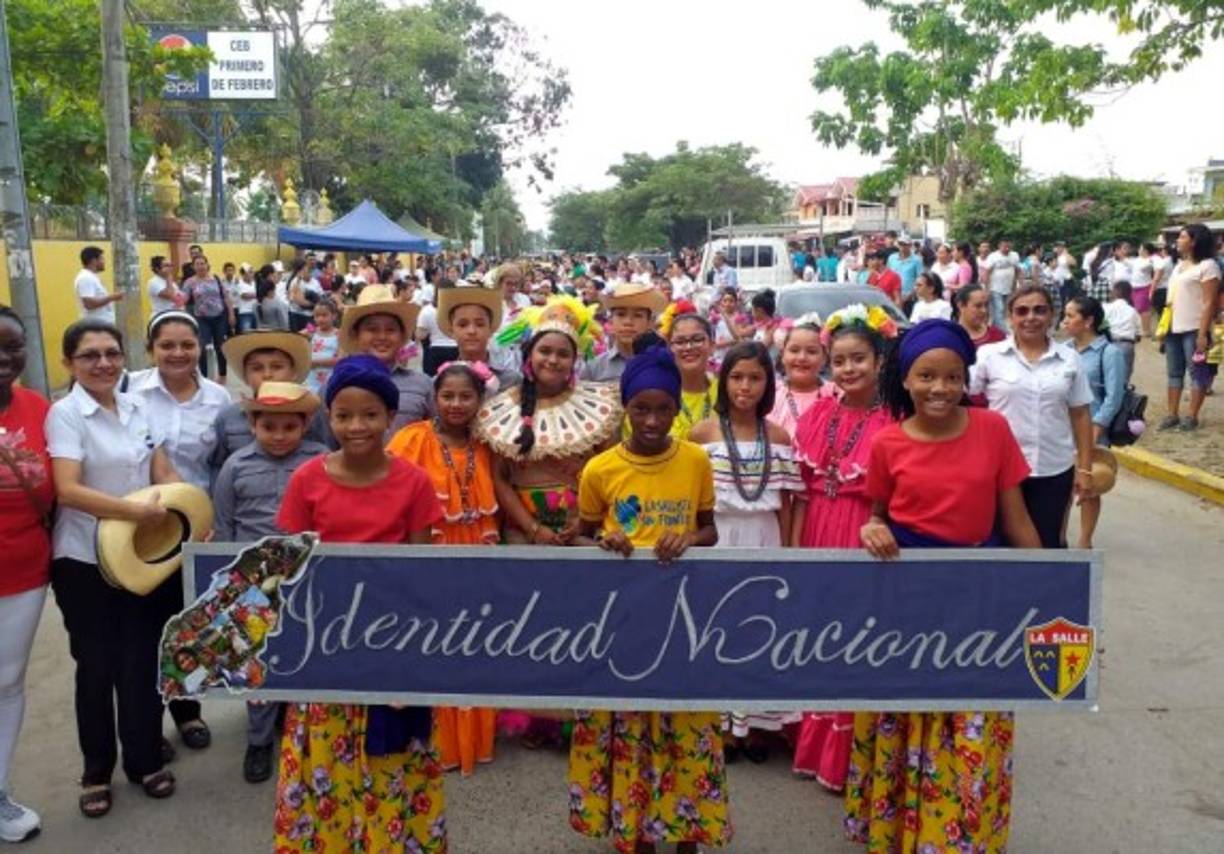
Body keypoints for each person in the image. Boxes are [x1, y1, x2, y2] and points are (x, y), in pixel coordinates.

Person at [850, 319, 1040, 853]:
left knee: (973, 715)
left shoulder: (993, 430)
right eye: (927, 376)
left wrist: (1055, 594)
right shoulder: (886, 443)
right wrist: (873, 528)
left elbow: (1017, 520)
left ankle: (962, 833)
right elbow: (877, 515)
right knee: (904, 714)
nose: (940, 387)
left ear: (966, 380)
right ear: (905, 381)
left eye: (953, 376)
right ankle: (899, 831)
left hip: (978, 596)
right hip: (906, 601)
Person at [274, 355, 447, 852]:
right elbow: (291, 571)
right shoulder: (306, 480)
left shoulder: (413, 482)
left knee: (392, 763)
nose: (357, 426)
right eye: (344, 415)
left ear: (389, 417)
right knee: (325, 756)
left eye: (370, 414)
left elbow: (423, 571)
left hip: (393, 646)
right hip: (324, 649)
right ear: (329, 418)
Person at [570, 345, 729, 854]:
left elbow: (710, 531)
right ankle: (635, 829)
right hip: (622, 620)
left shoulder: (696, 460)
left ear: (679, 408)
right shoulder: (599, 470)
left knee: (684, 725)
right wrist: (601, 543)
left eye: (664, 408)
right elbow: (580, 535)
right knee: (629, 726)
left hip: (684, 617)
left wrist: (690, 539)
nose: (654, 419)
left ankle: (688, 831)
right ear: (626, 409)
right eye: (642, 408)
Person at [46, 319, 183, 817]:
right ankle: (96, 770)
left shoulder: (138, 407)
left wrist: (187, 511)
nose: (103, 363)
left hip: (142, 556)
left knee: (142, 660)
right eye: (89, 355)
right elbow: (69, 489)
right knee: (97, 666)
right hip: (83, 559)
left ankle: (144, 760)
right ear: (69, 364)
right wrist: (137, 511)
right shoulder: (66, 415)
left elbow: (161, 470)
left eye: (111, 353)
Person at [788, 305, 894, 792]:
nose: (849, 369)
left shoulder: (893, 420)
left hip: (861, 533)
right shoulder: (819, 413)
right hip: (817, 530)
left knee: (857, 640)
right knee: (818, 638)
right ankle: (815, 749)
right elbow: (800, 489)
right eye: (842, 360)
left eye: (860, 359)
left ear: (879, 361)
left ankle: (854, 759)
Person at [211, 381, 328, 784]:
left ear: (305, 424)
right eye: (269, 427)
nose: (279, 436)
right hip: (254, 580)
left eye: (289, 427)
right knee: (256, 658)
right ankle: (259, 739)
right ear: (252, 424)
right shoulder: (235, 466)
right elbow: (224, 524)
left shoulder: (322, 460)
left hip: (308, 574)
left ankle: (307, 735)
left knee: (307, 652)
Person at [387, 362, 499, 777]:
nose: (456, 404)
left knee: (476, 644)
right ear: (434, 397)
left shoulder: (488, 443)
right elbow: (389, 497)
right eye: (447, 395)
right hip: (429, 555)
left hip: (478, 557)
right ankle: (433, 738)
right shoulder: (410, 439)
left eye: (465, 396)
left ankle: (474, 740)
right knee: (432, 643)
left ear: (479, 400)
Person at [689, 342, 800, 761]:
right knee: (718, 631)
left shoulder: (779, 436)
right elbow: (692, 498)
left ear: (768, 383)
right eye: (737, 377)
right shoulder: (702, 433)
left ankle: (754, 726)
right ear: (724, 381)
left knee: (759, 631)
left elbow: (787, 502)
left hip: (764, 539)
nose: (745, 386)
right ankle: (722, 725)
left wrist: (788, 554)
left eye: (755, 378)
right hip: (719, 539)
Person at [970, 285, 1095, 548]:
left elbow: (1081, 415)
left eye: (1039, 310)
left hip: (1053, 469)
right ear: (1009, 317)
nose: (1030, 317)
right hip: (1001, 472)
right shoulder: (988, 357)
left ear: (1052, 315)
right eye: (1022, 311)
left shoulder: (1070, 360)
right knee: (1000, 545)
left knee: (1047, 544)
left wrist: (1084, 469)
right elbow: (961, 398)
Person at [0, 307, 51, 841]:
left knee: (7, 682)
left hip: (23, 574)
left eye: (13, 346)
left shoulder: (39, 409)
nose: (3, 358)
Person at [210, 330, 322, 473]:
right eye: (257, 368)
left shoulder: (312, 414)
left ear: (294, 372)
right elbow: (218, 464)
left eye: (277, 367)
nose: (267, 374)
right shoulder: (228, 418)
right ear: (245, 375)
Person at [1062, 296, 1125, 548]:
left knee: (1090, 484)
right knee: (1062, 485)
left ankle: (1085, 540)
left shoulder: (1109, 353)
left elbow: (1114, 395)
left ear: (1088, 321)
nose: (1064, 321)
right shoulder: (1064, 350)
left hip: (1092, 427)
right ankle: (1059, 536)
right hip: (1063, 427)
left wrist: (1097, 428)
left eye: (1070, 316)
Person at [337, 284, 433, 436]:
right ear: (357, 335)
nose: (382, 337)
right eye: (372, 329)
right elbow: (326, 445)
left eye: (390, 330)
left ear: (402, 336)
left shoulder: (423, 385)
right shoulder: (337, 383)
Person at [1158, 223, 1221, 431]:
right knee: (1174, 373)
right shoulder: (1179, 266)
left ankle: (1191, 416)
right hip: (1174, 327)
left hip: (1194, 327)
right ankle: (1172, 414)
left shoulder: (1208, 266)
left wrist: (1203, 333)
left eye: (1183, 237)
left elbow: (1209, 302)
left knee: (1197, 373)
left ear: (1194, 241)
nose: (1178, 240)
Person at [767, 313, 837, 438]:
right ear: (782, 355)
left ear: (824, 358)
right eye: (794, 350)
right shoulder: (770, 394)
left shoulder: (837, 394)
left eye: (811, 351)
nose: (802, 357)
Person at [440, 283, 521, 387]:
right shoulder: (442, 381)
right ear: (452, 330)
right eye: (462, 325)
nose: (471, 331)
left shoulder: (511, 381)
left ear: (490, 329)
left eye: (480, 324)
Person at [582, 283, 666, 382]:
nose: (628, 322)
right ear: (611, 320)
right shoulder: (594, 368)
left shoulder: (661, 365)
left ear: (649, 323)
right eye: (621, 314)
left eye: (638, 315)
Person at [182, 254, 235, 383]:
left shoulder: (216, 279)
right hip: (201, 318)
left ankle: (222, 374)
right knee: (201, 347)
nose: (200, 266)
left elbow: (226, 297)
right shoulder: (190, 282)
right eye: (197, 264)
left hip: (219, 317)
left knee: (220, 346)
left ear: (207, 265)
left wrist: (231, 314)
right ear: (193, 267)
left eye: (202, 263)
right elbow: (183, 300)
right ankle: (204, 378)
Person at [665, 312, 718, 439]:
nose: (688, 347)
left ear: (712, 346)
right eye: (680, 341)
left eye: (697, 339)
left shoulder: (726, 392)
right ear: (669, 349)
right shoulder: (658, 394)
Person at [1103, 281, 1141, 382]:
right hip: (1127, 344)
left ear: (1115, 292)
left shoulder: (1106, 308)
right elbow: (1138, 334)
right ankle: (1123, 394)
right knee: (1124, 376)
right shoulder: (1133, 311)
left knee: (1108, 374)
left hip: (1109, 343)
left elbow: (1101, 326)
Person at [74, 246, 122, 323]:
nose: (103, 262)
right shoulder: (86, 278)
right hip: (95, 325)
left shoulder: (91, 277)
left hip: (101, 324)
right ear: (93, 261)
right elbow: (89, 304)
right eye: (101, 259)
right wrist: (112, 297)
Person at [953, 283, 1006, 349]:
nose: (984, 311)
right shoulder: (951, 338)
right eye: (978, 306)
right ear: (961, 306)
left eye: (986, 305)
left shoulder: (998, 337)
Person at [305, 298, 341, 395]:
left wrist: (315, 362)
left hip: (329, 374)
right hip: (311, 376)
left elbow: (340, 359)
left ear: (334, 316)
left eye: (324, 315)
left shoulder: (339, 334)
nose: (320, 319)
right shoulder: (311, 330)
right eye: (317, 316)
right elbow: (295, 338)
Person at [984, 238, 1020, 330]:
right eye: (1005, 246)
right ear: (999, 246)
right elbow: (987, 272)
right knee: (998, 309)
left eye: (1009, 246)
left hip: (1009, 287)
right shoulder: (993, 256)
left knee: (1006, 310)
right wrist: (987, 288)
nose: (1007, 248)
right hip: (995, 288)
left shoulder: (1014, 255)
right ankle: (1003, 332)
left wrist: (1016, 284)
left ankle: (996, 329)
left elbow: (1017, 270)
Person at [285, 259, 320, 333]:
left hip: (305, 315)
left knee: (311, 333)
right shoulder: (296, 282)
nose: (307, 270)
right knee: (304, 336)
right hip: (299, 316)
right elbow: (299, 301)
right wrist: (314, 304)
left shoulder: (300, 280)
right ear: (303, 268)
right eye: (306, 267)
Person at [1129, 243, 1155, 336]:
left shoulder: (1150, 260)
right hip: (1134, 287)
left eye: (1141, 248)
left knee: (1144, 309)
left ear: (1146, 251)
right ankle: (1140, 329)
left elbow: (1146, 267)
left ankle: (1146, 330)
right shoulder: (1136, 260)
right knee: (1137, 309)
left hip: (1144, 286)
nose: (1139, 250)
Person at [886, 237, 923, 303]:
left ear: (910, 245)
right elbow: (887, 275)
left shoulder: (917, 260)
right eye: (900, 244)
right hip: (892, 297)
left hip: (908, 297)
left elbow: (920, 279)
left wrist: (909, 296)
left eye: (905, 244)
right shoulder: (892, 258)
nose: (902, 246)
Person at [233, 263, 259, 333]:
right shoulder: (239, 283)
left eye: (252, 272)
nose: (252, 274)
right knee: (246, 335)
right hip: (245, 313)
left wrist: (255, 295)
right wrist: (258, 294)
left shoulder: (255, 283)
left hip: (256, 312)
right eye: (250, 272)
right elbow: (245, 296)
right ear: (244, 274)